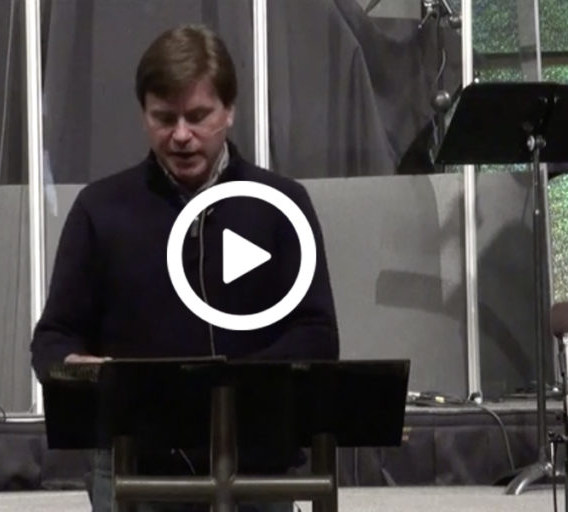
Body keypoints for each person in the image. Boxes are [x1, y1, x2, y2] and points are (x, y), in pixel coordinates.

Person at [31, 24, 339, 512]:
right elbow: (52, 340)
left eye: (197, 117)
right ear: (143, 115)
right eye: (163, 118)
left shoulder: (283, 206)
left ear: (230, 110)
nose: (180, 136)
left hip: (254, 463)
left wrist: (222, 389)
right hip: (134, 465)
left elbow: (317, 335)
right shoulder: (99, 209)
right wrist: (79, 368)